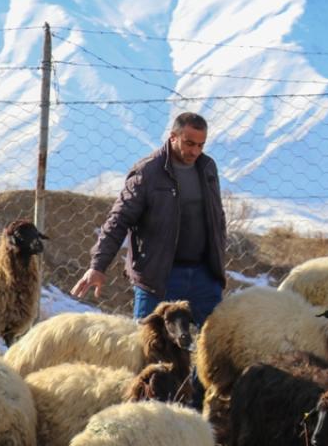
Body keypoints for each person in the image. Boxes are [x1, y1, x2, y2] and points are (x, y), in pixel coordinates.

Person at [72, 111, 226, 328]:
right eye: (189, 143)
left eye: (201, 145)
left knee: (209, 351)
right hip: (159, 278)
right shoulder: (148, 172)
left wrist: (216, 270)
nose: (195, 151)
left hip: (203, 278)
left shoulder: (207, 168)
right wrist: (98, 266)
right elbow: (119, 220)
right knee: (149, 348)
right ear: (173, 136)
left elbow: (216, 217)